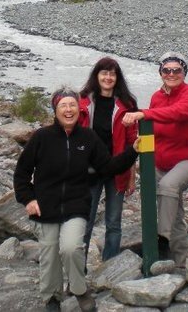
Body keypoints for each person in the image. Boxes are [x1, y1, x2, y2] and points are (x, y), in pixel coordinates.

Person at [14, 88, 139, 312]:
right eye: (64, 106)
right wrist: (28, 200)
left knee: (71, 248)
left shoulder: (87, 138)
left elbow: (108, 166)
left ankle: (79, 289)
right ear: (55, 110)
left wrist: (133, 151)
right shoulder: (42, 138)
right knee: (50, 253)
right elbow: (21, 173)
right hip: (45, 207)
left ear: (78, 109)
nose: (69, 110)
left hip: (75, 205)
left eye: (72, 105)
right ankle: (52, 298)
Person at [121, 51, 188, 266]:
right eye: (166, 70)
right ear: (160, 72)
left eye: (176, 70)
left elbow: (177, 113)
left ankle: (161, 240)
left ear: (184, 72)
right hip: (162, 161)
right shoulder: (157, 97)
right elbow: (155, 126)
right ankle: (179, 261)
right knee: (174, 211)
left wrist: (144, 113)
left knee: (168, 186)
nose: (171, 74)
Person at [78, 57, 138, 267]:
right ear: (96, 76)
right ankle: (79, 268)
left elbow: (133, 144)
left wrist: (132, 177)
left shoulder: (127, 104)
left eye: (112, 73)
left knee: (114, 222)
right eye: (104, 73)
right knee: (85, 222)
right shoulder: (83, 101)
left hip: (117, 169)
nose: (108, 77)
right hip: (89, 170)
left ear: (117, 78)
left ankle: (109, 267)